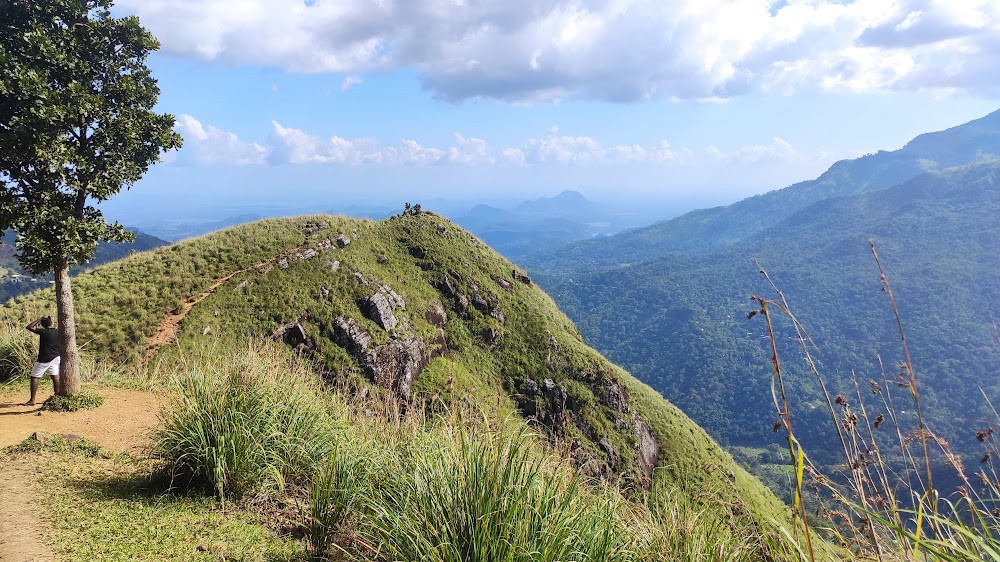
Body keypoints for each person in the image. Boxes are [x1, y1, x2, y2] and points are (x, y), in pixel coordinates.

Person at [25, 315, 60, 405]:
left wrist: (39, 319)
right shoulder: (57, 332)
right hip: (56, 357)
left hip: (44, 358)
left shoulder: (43, 332)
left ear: (42, 325)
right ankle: (57, 396)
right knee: (55, 376)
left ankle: (32, 400)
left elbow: (29, 327)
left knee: (35, 377)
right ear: (51, 323)